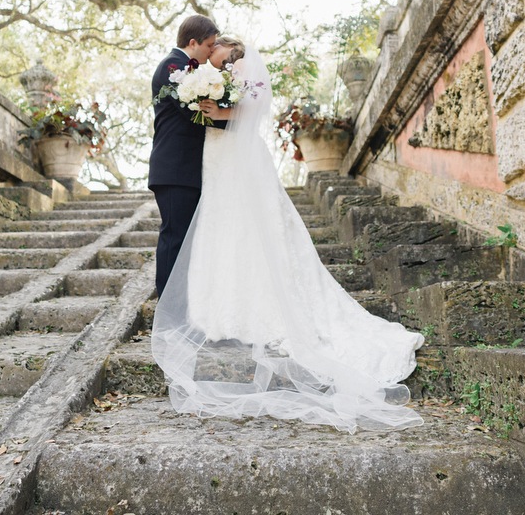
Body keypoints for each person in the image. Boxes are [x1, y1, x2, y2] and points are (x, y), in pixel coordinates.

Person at [151, 35, 425, 432]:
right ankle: (216, 305)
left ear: (231, 52)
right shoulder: (203, 72)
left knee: (247, 227)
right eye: (214, 55)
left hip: (233, 154)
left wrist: (217, 110)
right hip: (215, 157)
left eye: (220, 55)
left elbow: (248, 109)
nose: (216, 61)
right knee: (220, 229)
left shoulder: (241, 71)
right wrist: (206, 106)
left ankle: (252, 306)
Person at [147, 14, 222, 297]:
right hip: (174, 168)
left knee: (183, 239)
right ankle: (166, 304)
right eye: (209, 45)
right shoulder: (173, 65)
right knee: (174, 238)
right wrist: (232, 118)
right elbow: (191, 111)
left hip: (184, 169)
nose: (212, 51)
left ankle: (180, 303)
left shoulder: (184, 67)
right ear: (193, 42)